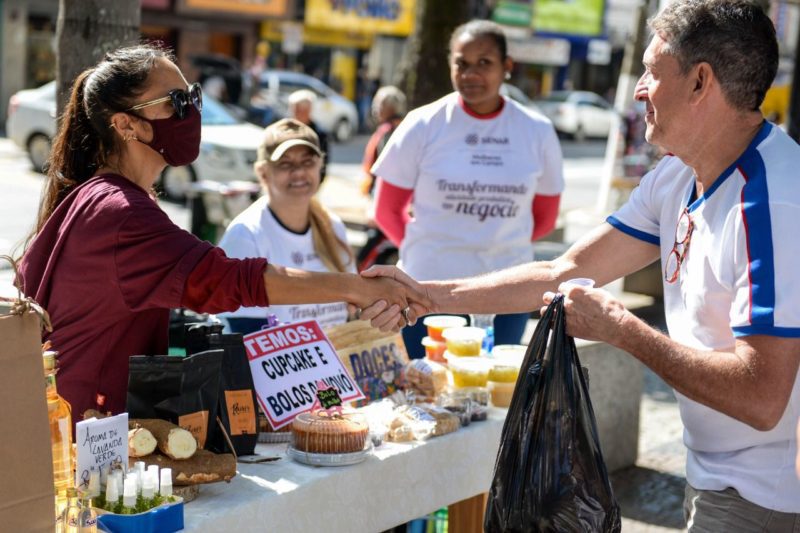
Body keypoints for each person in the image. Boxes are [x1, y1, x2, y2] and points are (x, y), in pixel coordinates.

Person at [366, 1, 800, 528]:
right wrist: (425, 295)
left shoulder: (774, 201)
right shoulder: (678, 176)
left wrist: (623, 330)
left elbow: (761, 397)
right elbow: (563, 271)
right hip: (713, 474)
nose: (639, 89)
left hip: (763, 493)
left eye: (651, 71)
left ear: (699, 82)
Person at [16, 45, 418, 422]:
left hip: (81, 418)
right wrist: (354, 288)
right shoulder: (120, 212)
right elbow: (227, 280)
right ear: (125, 125)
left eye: (192, 96)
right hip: (82, 428)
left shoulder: (106, 197)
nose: (191, 112)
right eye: (175, 102)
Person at [371, 20, 564, 358]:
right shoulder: (422, 123)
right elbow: (386, 209)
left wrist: (498, 244)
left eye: (484, 63)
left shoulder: (537, 130)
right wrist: (425, 248)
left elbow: (546, 217)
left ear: (507, 66)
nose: (471, 74)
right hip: (426, 289)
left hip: (506, 292)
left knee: (496, 383)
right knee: (427, 383)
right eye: (462, 63)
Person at [218, 118, 355, 333]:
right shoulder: (245, 235)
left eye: (308, 162)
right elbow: (244, 333)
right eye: (285, 164)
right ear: (263, 173)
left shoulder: (333, 226)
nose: (299, 172)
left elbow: (352, 314)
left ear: (320, 165)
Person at [288, 89, 330, 182]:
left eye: (299, 110)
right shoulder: (285, 129)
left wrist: (317, 181)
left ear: (308, 110)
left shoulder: (319, 133)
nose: (295, 113)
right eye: (294, 109)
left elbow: (323, 161)